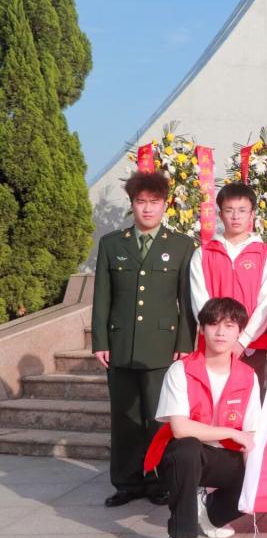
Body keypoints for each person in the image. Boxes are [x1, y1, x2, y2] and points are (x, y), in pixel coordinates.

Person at [91, 171, 197, 507]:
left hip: (162, 346)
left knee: (159, 417)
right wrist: (100, 341)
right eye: (141, 202)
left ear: (165, 205)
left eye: (154, 202)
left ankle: (160, 482)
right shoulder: (112, 244)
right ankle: (127, 483)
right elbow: (102, 297)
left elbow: (186, 299)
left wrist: (185, 343)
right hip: (121, 344)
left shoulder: (181, 245)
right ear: (132, 204)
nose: (147, 208)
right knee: (125, 418)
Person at [148, 297, 260, 538]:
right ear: (201, 329)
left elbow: (251, 435)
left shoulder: (248, 376)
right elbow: (179, 428)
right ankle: (178, 535)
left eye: (229, 325)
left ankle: (211, 512)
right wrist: (229, 433)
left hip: (224, 457)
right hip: (183, 456)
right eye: (213, 324)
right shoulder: (181, 370)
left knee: (257, 474)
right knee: (186, 449)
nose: (220, 332)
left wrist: (254, 482)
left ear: (239, 332)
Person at [189, 183, 267, 396]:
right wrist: (220, 336)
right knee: (209, 400)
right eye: (229, 210)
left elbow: (266, 302)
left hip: (251, 346)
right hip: (213, 345)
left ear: (252, 214)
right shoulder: (204, 253)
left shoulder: (264, 253)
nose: (236, 217)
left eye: (242, 210)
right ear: (220, 215)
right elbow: (199, 300)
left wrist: (242, 340)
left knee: (248, 403)